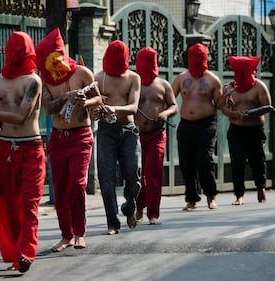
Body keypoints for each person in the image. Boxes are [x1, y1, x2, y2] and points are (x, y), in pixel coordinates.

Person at [0, 31, 46, 273]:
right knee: (7, 204)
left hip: (31, 146)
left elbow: (21, 116)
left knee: (29, 203)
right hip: (5, 146)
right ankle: (16, 252)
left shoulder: (33, 81)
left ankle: (26, 252)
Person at [35, 28, 102, 252]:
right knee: (61, 188)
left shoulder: (83, 73)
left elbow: (99, 99)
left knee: (77, 184)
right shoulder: (45, 79)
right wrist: (65, 96)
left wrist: (86, 103)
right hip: (58, 138)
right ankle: (66, 235)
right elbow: (47, 108)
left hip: (81, 136)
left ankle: (80, 233)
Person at [94, 40, 142, 235]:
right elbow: (92, 109)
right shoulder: (99, 77)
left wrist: (114, 108)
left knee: (134, 176)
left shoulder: (133, 78)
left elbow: (133, 107)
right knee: (106, 179)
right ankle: (112, 223)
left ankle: (129, 207)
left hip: (129, 130)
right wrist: (97, 111)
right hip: (106, 131)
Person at [221, 55, 275, 205]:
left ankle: (260, 187)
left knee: (257, 161)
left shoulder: (259, 86)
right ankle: (239, 195)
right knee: (237, 161)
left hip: (254, 130)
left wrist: (251, 113)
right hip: (236, 130)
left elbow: (267, 107)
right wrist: (233, 111)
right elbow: (222, 108)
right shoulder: (230, 87)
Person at [171, 43, 224, 211]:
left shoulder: (213, 80)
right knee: (187, 162)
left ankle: (211, 195)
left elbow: (220, 105)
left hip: (207, 124)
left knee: (204, 159)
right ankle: (192, 198)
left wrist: (227, 95)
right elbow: (170, 98)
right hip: (186, 124)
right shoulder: (181, 78)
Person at [134, 47, 178, 225]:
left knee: (153, 174)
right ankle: (139, 206)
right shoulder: (133, 82)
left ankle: (154, 213)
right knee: (137, 175)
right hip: (135, 136)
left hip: (157, 135)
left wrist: (166, 113)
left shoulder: (163, 84)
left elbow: (173, 105)